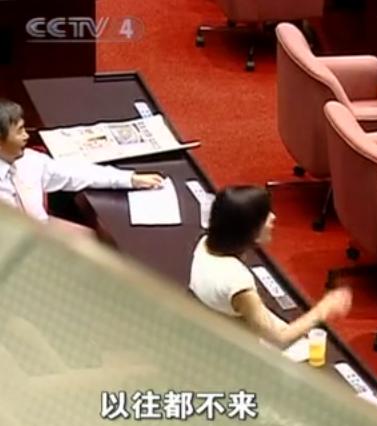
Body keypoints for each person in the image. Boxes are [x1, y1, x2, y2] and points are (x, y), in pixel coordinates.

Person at [189, 185, 352, 348]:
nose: (273, 217)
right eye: (265, 216)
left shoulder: (204, 244)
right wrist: (324, 308)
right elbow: (279, 337)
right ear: (249, 230)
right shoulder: (237, 282)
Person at [0, 98, 164, 223]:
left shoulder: (29, 160)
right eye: (19, 131)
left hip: (42, 235)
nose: (26, 136)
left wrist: (130, 179)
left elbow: (76, 173)